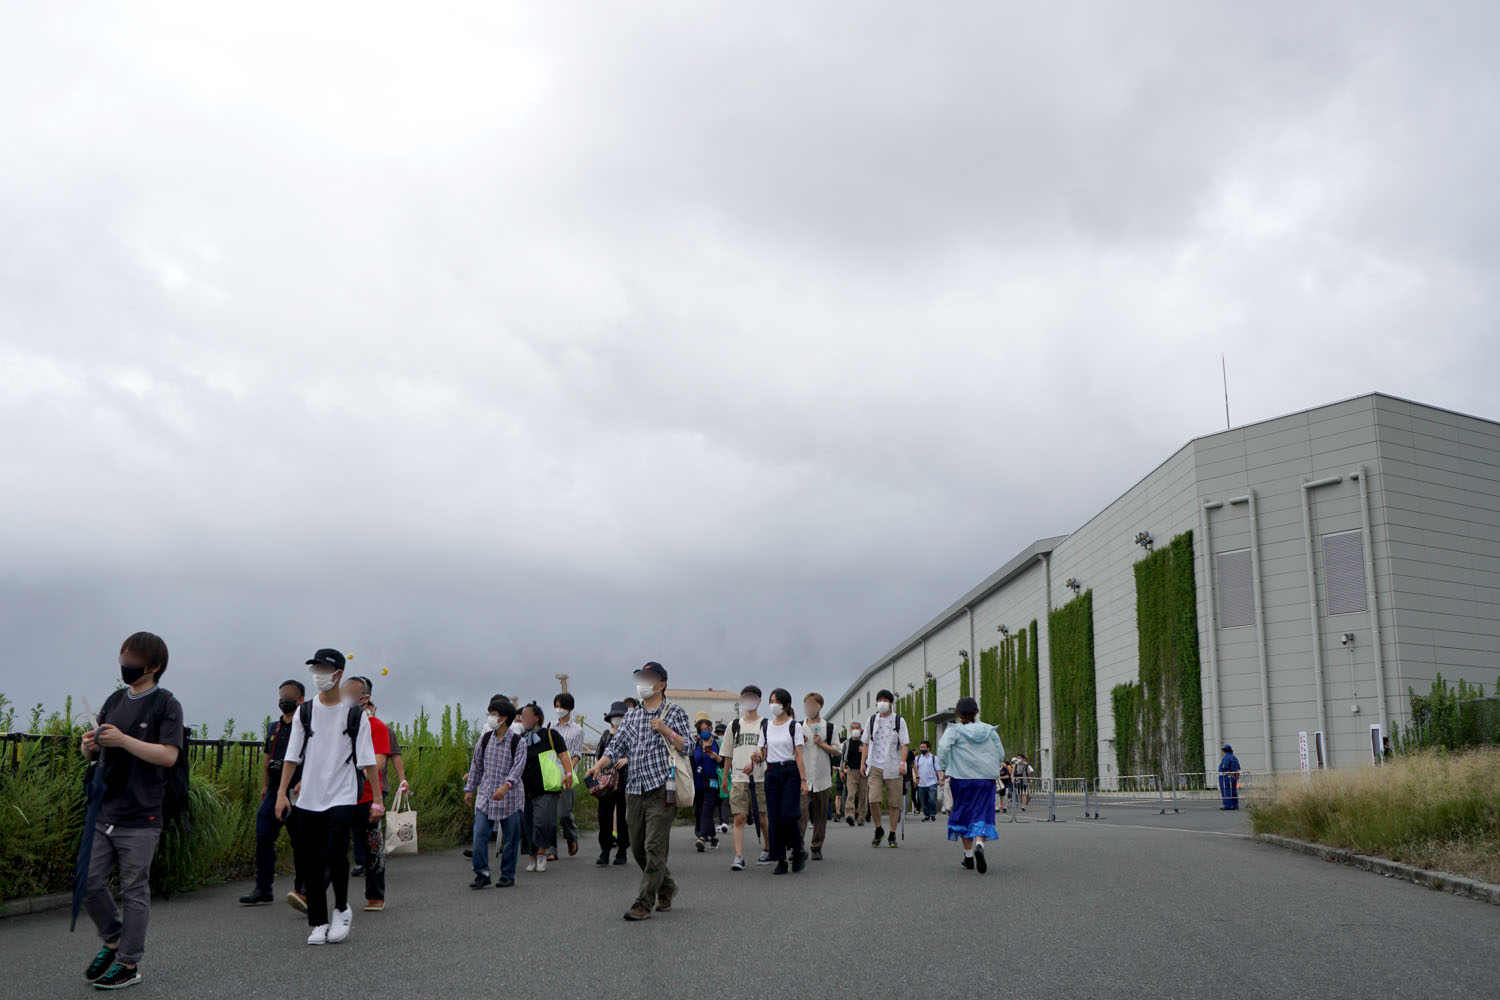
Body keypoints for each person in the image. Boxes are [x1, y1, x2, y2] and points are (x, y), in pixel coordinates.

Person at [79, 631, 185, 990]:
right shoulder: (114, 699)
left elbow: (169, 755)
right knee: (88, 881)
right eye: (123, 659)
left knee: (134, 888)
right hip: (106, 808)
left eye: (133, 661)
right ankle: (113, 939)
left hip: (143, 814)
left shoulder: (166, 704)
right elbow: (96, 754)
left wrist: (124, 740)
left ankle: (128, 962)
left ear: (153, 666)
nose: (125, 666)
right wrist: (90, 746)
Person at [275, 648, 383, 946]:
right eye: (315, 668)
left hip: (343, 794)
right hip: (309, 796)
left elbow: (367, 760)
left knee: (336, 855)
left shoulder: (354, 714)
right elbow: (291, 756)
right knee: (311, 861)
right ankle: (319, 922)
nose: (318, 675)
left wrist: (377, 799)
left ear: (337, 674)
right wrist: (282, 793)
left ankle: (341, 909)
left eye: (324, 669)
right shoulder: (305, 711)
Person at [590, 661, 691, 921]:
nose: (642, 682)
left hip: (661, 788)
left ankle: (643, 902)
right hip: (634, 788)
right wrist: (599, 766)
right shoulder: (632, 715)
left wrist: (667, 730)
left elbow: (687, 746)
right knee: (637, 848)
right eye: (640, 677)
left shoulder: (674, 711)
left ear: (661, 684)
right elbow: (616, 745)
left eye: (648, 677)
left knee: (654, 846)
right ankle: (667, 887)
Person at [241, 679, 306, 907]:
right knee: (263, 835)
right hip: (275, 791)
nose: (284, 698)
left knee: (301, 841)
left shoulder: (306, 726)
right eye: (281, 694)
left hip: (299, 793)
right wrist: (266, 785)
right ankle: (263, 888)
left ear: (301, 700)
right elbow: (268, 757)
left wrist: (305, 781)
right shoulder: (273, 728)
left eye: (289, 694)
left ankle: (302, 889)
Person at [937, 696, 1004, 874]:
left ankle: (968, 856)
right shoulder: (989, 730)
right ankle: (980, 844)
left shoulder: (954, 731)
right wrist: (992, 765)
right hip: (985, 778)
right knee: (982, 811)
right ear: (976, 712)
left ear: (957, 714)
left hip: (961, 777)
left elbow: (943, 749)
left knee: (963, 812)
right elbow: (1000, 753)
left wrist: (943, 767)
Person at [463, 696, 525, 888]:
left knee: (511, 838)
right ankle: (481, 872)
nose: (490, 717)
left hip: (510, 797)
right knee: (480, 832)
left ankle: (507, 874)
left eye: (494, 714)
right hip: (487, 794)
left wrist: (506, 786)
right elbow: (476, 766)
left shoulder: (518, 742)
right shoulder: (485, 739)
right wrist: (469, 789)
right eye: (489, 714)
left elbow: (518, 768)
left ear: (504, 718)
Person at [342, 675, 389, 911]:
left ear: (365, 698)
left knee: (372, 849)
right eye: (344, 691)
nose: (345, 697)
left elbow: (378, 764)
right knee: (332, 846)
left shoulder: (376, 727)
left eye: (351, 693)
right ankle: (310, 893)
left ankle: (375, 895)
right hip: (339, 796)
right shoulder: (338, 723)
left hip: (367, 796)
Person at [755, 688, 808, 874]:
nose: (773, 704)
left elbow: (799, 755)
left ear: (786, 705)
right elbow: (763, 752)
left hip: (790, 771)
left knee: (789, 814)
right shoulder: (766, 726)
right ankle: (780, 858)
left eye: (777, 701)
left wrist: (803, 780)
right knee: (774, 817)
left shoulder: (795, 726)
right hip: (771, 771)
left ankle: (798, 849)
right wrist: (758, 757)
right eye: (771, 701)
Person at [518, 703, 572, 872]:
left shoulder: (550, 735)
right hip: (526, 788)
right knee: (527, 825)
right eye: (522, 716)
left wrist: (569, 773)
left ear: (537, 718)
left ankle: (542, 854)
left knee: (542, 822)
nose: (524, 719)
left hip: (547, 787)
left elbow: (563, 755)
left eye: (527, 716)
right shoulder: (521, 738)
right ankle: (532, 857)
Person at [721, 685, 770, 870]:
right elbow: (727, 753)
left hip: (760, 778)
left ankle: (767, 847)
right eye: (745, 696)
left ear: (759, 700)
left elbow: (769, 751)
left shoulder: (766, 724)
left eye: (752, 697)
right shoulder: (733, 726)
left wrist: (759, 758)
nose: (749, 700)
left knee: (762, 817)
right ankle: (738, 856)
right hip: (739, 778)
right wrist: (725, 777)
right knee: (739, 817)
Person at [860, 689, 910, 848]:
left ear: (891, 703)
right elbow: (866, 742)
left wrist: (902, 763)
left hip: (893, 766)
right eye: (879, 699)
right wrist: (863, 763)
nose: (882, 703)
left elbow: (904, 744)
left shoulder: (899, 721)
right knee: (873, 799)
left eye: (885, 700)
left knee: (894, 802)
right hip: (874, 765)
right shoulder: (872, 720)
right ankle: (878, 828)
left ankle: (892, 833)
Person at [797, 693, 838, 861]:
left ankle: (816, 846)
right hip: (803, 778)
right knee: (800, 813)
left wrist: (821, 743)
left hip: (822, 777)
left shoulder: (829, 727)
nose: (810, 707)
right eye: (807, 704)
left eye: (813, 704)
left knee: (820, 815)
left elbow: (837, 750)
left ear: (820, 706)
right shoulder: (798, 727)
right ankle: (797, 846)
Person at [591, 701, 630, 866]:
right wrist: (598, 769)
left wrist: (627, 759)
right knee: (604, 817)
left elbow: (638, 754)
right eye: (615, 716)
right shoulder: (606, 735)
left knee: (623, 818)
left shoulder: (631, 735)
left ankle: (622, 851)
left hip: (625, 781)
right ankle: (605, 850)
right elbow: (599, 755)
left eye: (620, 716)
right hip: (606, 783)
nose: (617, 719)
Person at [551, 692, 584, 859]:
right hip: (551, 775)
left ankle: (571, 836)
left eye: (562, 706)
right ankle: (551, 850)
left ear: (569, 708)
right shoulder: (550, 727)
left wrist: (569, 769)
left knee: (564, 813)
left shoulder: (577, 730)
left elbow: (578, 752)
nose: (559, 709)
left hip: (567, 775)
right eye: (556, 706)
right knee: (548, 813)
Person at [690, 713, 721, 851]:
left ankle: (702, 837)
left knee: (708, 808)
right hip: (698, 781)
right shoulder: (697, 743)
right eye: (701, 730)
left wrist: (715, 757)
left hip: (713, 779)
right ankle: (713, 836)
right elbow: (692, 760)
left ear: (711, 728)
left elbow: (724, 762)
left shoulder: (718, 743)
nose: (704, 732)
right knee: (701, 808)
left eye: (706, 729)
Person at [841, 721, 867, 826]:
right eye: (853, 728)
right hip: (851, 771)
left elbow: (870, 757)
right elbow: (843, 758)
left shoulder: (864, 743)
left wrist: (864, 751)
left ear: (861, 730)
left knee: (863, 795)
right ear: (850, 730)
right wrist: (842, 771)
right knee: (851, 794)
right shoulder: (847, 743)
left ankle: (861, 817)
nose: (855, 729)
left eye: (857, 727)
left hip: (863, 772)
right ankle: (849, 815)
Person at [914, 740, 940, 821]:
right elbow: (915, 769)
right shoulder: (917, 758)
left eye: (923, 747)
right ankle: (926, 815)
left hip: (932, 782)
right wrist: (915, 779)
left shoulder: (934, 758)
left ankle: (932, 813)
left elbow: (938, 769)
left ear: (928, 748)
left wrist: (941, 779)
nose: (922, 749)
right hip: (921, 783)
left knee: (932, 799)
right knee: (923, 801)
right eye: (921, 747)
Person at [1218, 744, 1241, 810]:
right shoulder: (1235, 758)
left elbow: (1224, 767)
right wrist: (1236, 776)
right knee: (1233, 790)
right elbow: (1238, 768)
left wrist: (1229, 774)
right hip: (1234, 776)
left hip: (1225, 777)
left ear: (1225, 751)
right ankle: (1235, 805)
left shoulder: (1226, 758)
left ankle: (1227, 805)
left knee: (1226, 790)